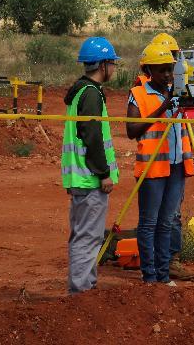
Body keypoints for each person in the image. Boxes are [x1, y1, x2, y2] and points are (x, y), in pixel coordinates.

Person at [126, 43, 194, 285]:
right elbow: (131, 130)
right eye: (162, 70)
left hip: (176, 166)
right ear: (149, 71)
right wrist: (162, 108)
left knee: (166, 223)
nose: (167, 75)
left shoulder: (177, 92)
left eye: (170, 69)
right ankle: (150, 277)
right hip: (152, 168)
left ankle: (164, 276)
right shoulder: (139, 94)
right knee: (149, 223)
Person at [62, 36, 121, 294]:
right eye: (113, 64)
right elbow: (93, 136)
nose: (115, 69)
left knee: (83, 236)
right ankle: (80, 293)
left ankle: (86, 288)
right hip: (90, 179)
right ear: (103, 65)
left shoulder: (80, 92)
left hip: (80, 179)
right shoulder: (91, 95)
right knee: (88, 238)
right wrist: (104, 173)